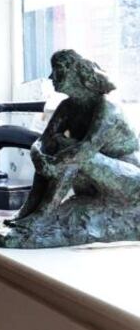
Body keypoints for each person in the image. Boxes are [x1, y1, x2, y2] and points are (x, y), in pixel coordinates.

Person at [12, 49, 140, 222]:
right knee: (54, 148)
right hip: (91, 183)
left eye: (58, 70)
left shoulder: (107, 109)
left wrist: (54, 164)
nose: (51, 77)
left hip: (129, 184)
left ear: (77, 73)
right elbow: (43, 141)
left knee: (69, 149)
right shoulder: (67, 106)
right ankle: (29, 209)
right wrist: (39, 158)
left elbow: (85, 151)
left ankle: (43, 215)